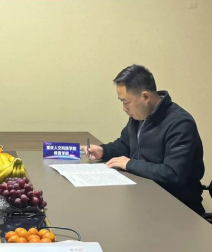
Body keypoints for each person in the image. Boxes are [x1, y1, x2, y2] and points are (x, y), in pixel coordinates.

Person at [83, 65, 205, 215]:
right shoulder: (139, 117)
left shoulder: (180, 124)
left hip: (175, 207)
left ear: (145, 97)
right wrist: (103, 151)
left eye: (126, 102)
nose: (124, 108)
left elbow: (172, 174)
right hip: (142, 196)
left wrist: (129, 164)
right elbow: (125, 144)